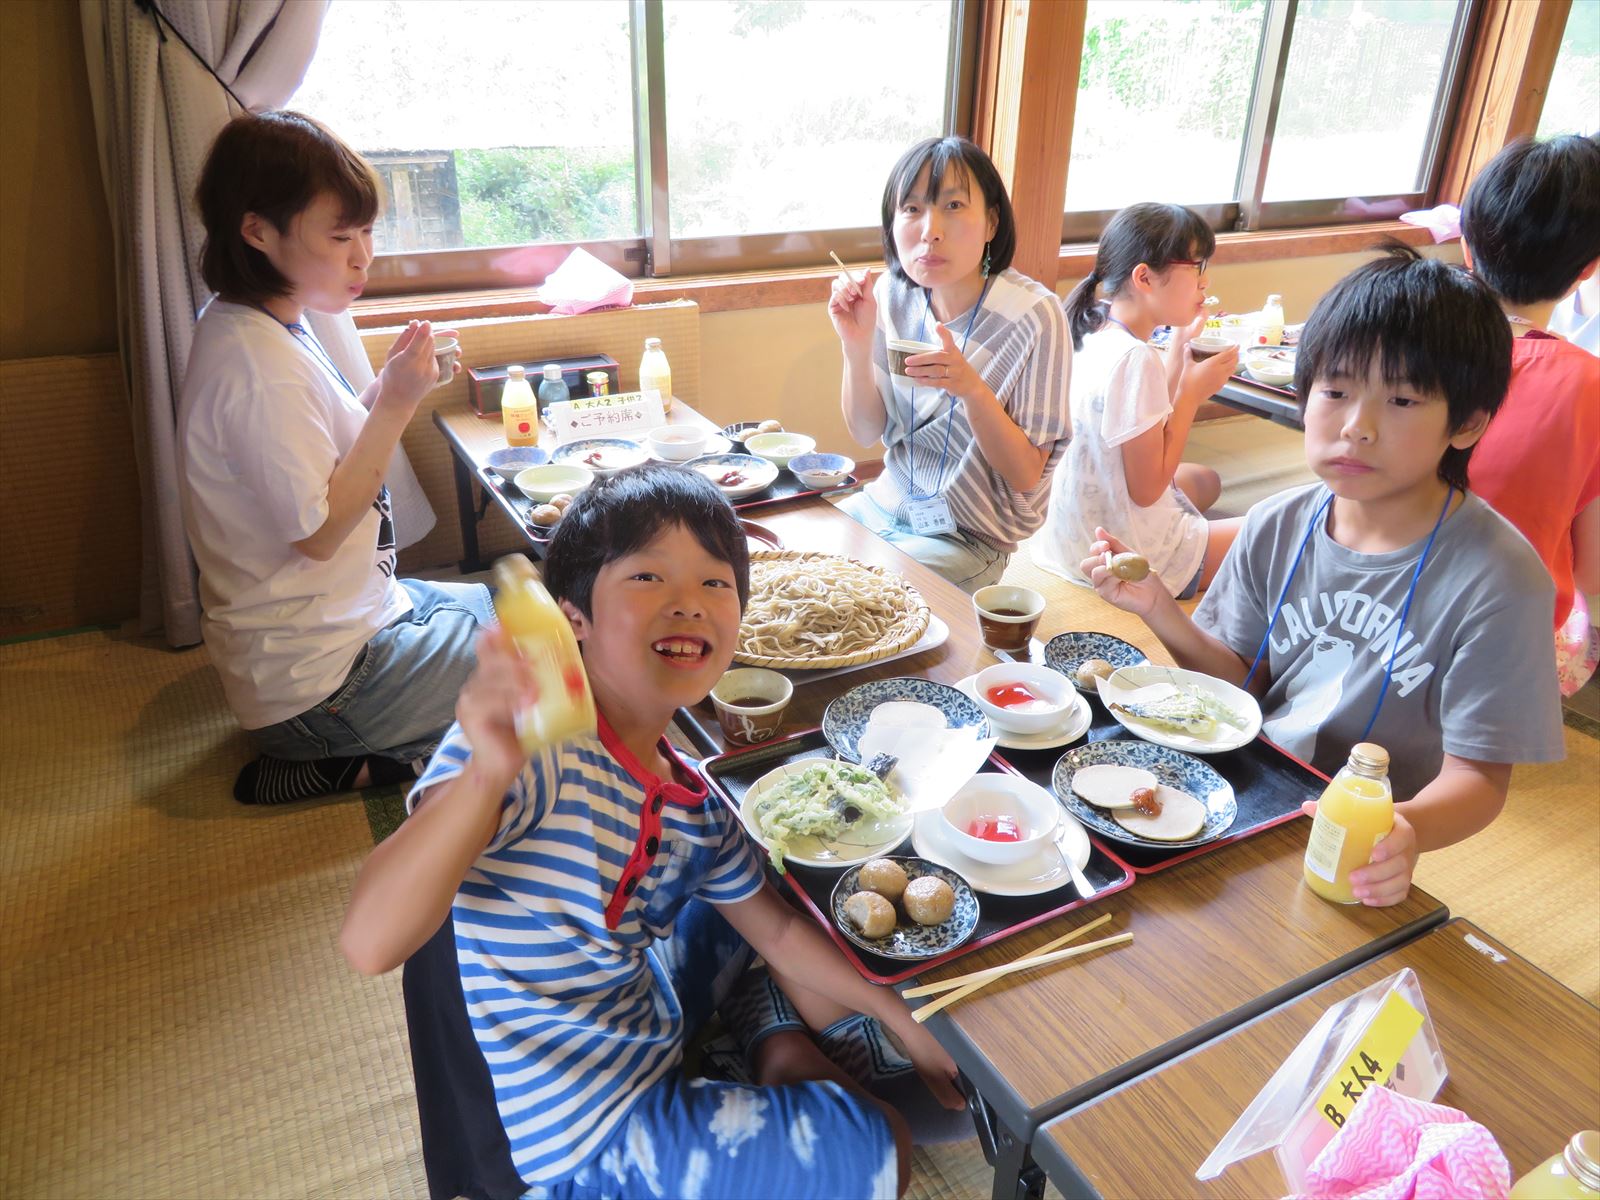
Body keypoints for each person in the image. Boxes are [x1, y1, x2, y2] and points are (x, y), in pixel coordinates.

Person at [339, 465, 965, 1200]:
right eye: (646, 577)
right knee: (884, 1146)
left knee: (774, 891)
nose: (688, 603)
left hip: (645, 1019)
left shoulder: (695, 799)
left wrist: (904, 1018)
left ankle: (763, 1031)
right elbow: (370, 943)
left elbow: (776, 931)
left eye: (714, 583)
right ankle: (777, 1048)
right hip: (584, 1136)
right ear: (573, 618)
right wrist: (486, 773)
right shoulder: (529, 747)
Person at [1082, 245, 1564, 906]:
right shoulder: (1277, 523)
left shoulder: (1501, 580)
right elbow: (1240, 685)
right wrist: (1158, 607)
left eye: (1401, 399)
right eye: (1335, 392)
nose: (1357, 427)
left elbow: (1479, 778)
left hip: (1353, 840)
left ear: (1468, 422)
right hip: (1246, 786)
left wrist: (1406, 829)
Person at [178, 110, 492, 806]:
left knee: (514, 605)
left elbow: (330, 443)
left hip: (353, 622)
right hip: (324, 687)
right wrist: (396, 405)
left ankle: (394, 741)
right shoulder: (257, 367)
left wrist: (393, 386)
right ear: (258, 231)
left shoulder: (267, 320)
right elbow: (318, 532)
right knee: (558, 670)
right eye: (341, 236)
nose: (363, 257)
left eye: (367, 232)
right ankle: (342, 762)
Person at [828, 136, 1071, 593]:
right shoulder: (892, 295)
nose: (930, 230)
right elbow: (865, 431)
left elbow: (1025, 474)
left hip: (966, 538)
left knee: (864, 601)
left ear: (991, 222)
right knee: (792, 572)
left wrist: (973, 390)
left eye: (954, 206)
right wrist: (855, 346)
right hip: (882, 504)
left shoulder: (1034, 314)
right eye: (912, 209)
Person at [1036, 203, 1243, 596]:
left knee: (1206, 480)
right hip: (1127, 555)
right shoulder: (1135, 358)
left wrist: (1180, 343)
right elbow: (1147, 491)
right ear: (1144, 277)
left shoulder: (1092, 327)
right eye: (1196, 267)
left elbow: (1146, 420)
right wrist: (1191, 397)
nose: (1205, 282)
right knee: (1283, 529)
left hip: (1071, 539)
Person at [1459, 133, 1600, 695]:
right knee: (1578, 625)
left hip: (1368, 603)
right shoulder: (1589, 383)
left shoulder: (1407, 342)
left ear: (1466, 247)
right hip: (1508, 645)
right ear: (1588, 268)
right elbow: (1592, 572)